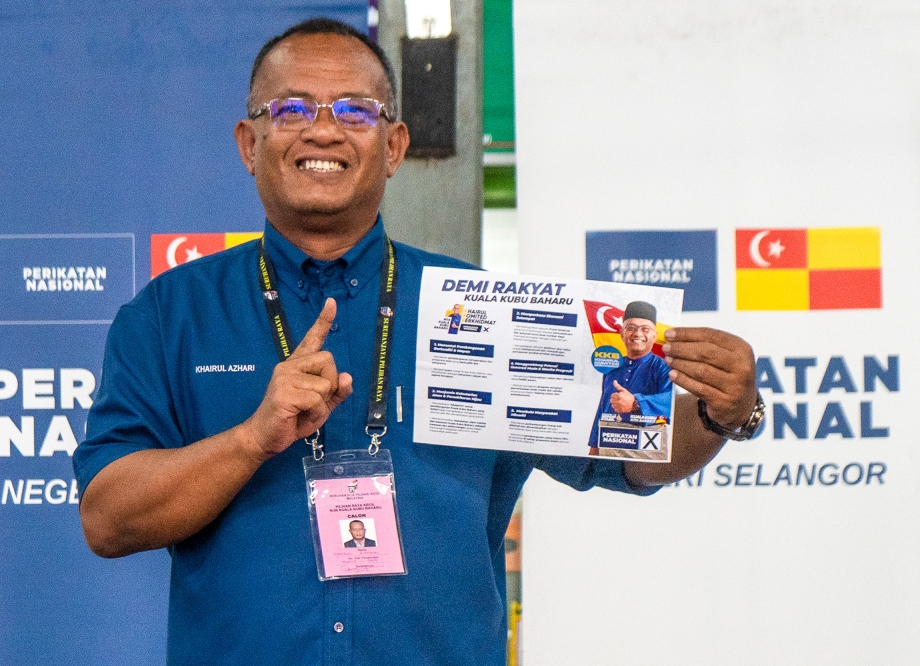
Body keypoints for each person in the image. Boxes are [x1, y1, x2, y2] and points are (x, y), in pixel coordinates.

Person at [73, 17, 759, 666]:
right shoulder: (168, 315)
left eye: (354, 110)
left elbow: (633, 459)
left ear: (394, 145)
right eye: (289, 110)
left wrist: (722, 415)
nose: (323, 131)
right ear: (249, 145)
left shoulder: (493, 312)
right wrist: (252, 438)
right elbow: (108, 518)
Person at [588, 300, 672, 452]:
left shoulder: (664, 368)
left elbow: (671, 403)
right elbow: (603, 407)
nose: (638, 333)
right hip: (609, 447)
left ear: (654, 336)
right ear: (622, 334)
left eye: (645, 329)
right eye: (631, 328)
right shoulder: (613, 367)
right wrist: (594, 446)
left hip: (644, 452)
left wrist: (636, 403)